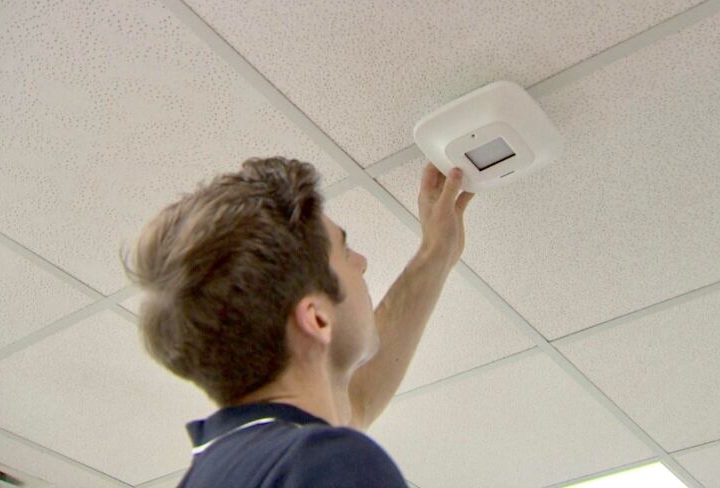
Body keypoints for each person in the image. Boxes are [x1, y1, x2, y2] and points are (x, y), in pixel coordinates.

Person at [121, 156, 474, 487]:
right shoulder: (328, 462)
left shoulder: (221, 469)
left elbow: (355, 403)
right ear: (318, 319)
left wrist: (436, 253)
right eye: (345, 252)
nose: (362, 263)